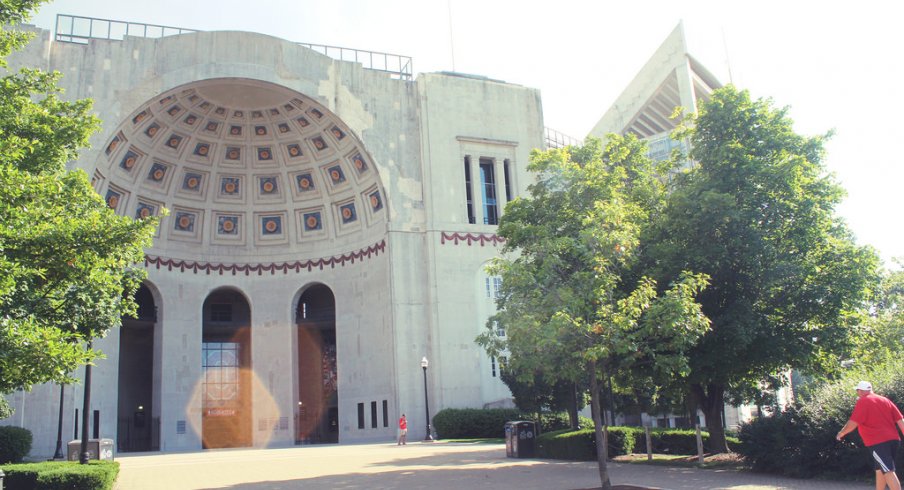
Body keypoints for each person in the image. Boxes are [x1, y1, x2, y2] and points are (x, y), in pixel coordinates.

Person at [837, 381, 904, 490]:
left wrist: (842, 433)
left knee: (888, 471)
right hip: (894, 440)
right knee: (880, 470)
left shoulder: (864, 401)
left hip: (878, 442)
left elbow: (853, 422)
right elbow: (900, 420)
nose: (857, 393)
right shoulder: (885, 400)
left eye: (857, 391)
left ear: (860, 391)